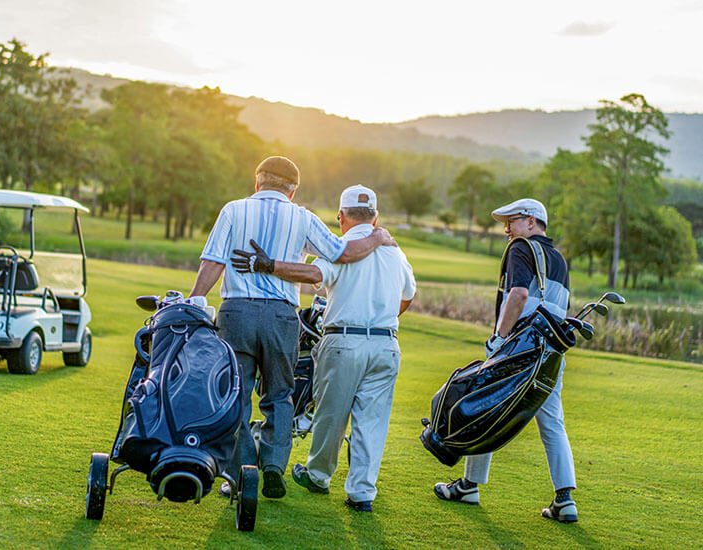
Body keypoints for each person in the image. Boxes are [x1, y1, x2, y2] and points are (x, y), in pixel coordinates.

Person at [188, 157, 395, 500]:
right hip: (282, 317)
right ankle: (272, 466)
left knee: (234, 396)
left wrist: (195, 298)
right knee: (279, 396)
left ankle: (241, 475)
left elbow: (213, 260)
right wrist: (377, 238)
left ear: (258, 183)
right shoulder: (302, 217)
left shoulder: (234, 210)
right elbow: (343, 253)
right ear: (293, 189)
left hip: (236, 313)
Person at [231, 184, 416, 513]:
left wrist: (268, 265)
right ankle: (361, 494)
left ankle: (318, 476)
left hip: (343, 341)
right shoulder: (395, 252)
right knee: (372, 422)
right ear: (375, 217)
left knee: (331, 416)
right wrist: (385, 316)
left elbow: (313, 273)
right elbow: (408, 294)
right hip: (387, 344)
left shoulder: (340, 247)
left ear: (341, 217)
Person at [433, 198, 578, 523]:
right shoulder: (559, 259)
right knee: (553, 423)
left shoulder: (521, 247)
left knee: (486, 407)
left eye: (511, 222)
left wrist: (499, 338)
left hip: (517, 349)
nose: (506, 230)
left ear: (530, 222)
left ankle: (469, 486)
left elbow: (519, 295)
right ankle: (565, 499)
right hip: (550, 354)